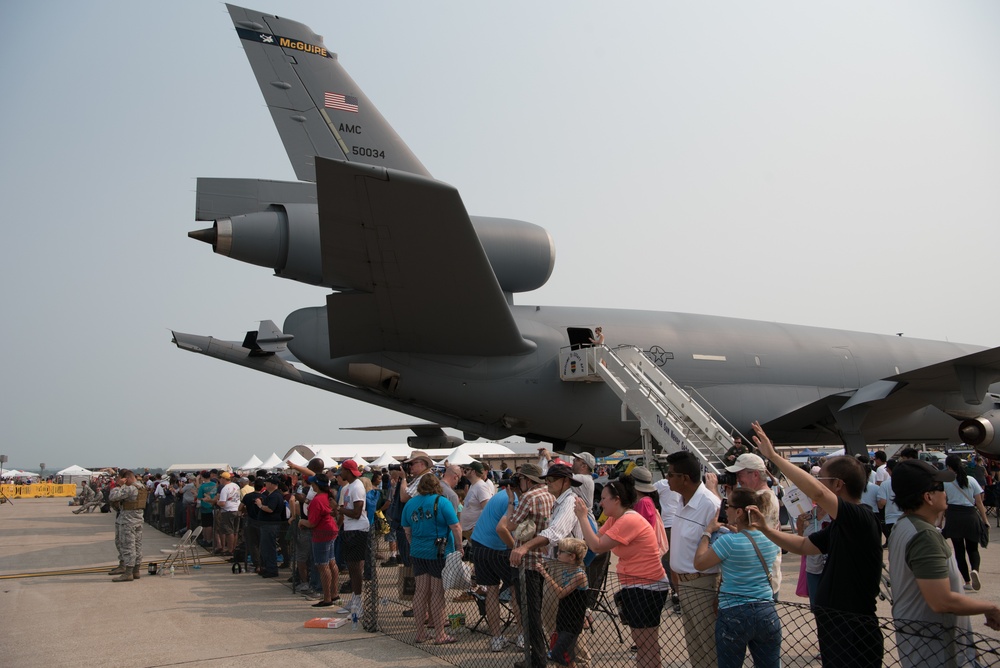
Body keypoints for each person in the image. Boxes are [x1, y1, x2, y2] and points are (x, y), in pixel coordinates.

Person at [748, 421, 883, 668]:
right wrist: (765, 529)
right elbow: (803, 546)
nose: (815, 486)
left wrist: (774, 458)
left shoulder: (861, 518)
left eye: (821, 479)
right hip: (834, 626)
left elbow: (820, 495)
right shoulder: (838, 526)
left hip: (854, 631)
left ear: (838, 485)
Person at [888, 459, 1000, 667]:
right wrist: (991, 607)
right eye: (940, 488)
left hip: (921, 644)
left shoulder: (902, 525)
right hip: (937, 653)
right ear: (928, 497)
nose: (945, 492)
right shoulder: (924, 536)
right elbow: (942, 601)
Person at [574, 475, 669, 668]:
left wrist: (583, 517)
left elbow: (597, 545)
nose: (601, 502)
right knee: (641, 641)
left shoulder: (629, 520)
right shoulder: (615, 519)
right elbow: (592, 540)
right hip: (636, 585)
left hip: (647, 586)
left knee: (646, 642)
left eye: (604, 498)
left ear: (616, 499)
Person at [694, 488, 782, 668]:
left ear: (739, 512)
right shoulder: (770, 539)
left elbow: (700, 563)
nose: (725, 510)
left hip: (734, 611)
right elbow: (751, 542)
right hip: (766, 610)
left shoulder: (728, 542)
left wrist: (707, 532)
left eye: (728, 506)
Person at [665, 450, 721, 668]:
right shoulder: (680, 499)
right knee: (695, 649)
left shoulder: (711, 505)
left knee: (710, 649)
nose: (667, 479)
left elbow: (722, 550)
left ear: (684, 479)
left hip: (703, 585)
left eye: (670, 475)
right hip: (684, 584)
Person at [401, 472, 462, 645]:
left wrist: (414, 544)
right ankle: (440, 634)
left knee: (420, 592)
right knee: (437, 592)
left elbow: (407, 530)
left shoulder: (410, 503)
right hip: (438, 552)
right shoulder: (442, 502)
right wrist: (459, 546)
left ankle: (420, 633)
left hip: (418, 552)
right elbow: (455, 526)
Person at [505, 463, 555, 668]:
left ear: (527, 480)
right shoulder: (550, 494)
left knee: (530, 612)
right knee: (543, 610)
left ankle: (537, 659)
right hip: (547, 559)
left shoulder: (528, 497)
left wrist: (511, 501)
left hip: (528, 561)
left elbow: (510, 524)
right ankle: (546, 654)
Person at [470, 475, 518, 652]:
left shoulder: (501, 494)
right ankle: (521, 636)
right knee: (515, 589)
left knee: (491, 590)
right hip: (497, 547)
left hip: (479, 544)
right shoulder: (514, 499)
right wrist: (515, 549)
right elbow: (502, 528)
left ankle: (496, 638)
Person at [724, 453, 781, 597]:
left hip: (761, 580)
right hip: (758, 576)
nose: (737, 480)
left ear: (755, 474)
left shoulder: (763, 499)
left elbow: (749, 535)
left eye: (740, 475)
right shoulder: (761, 496)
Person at [536, 537, 589, 667]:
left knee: (557, 654)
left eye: (560, 552)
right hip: (563, 620)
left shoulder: (579, 575)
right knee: (566, 657)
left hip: (572, 623)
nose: (557, 554)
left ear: (571, 556)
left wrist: (545, 574)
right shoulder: (566, 570)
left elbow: (561, 593)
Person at [942, 454, 989, 591]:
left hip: (954, 517)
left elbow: (943, 504)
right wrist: (985, 521)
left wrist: (939, 523)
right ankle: (975, 570)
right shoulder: (971, 480)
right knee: (972, 548)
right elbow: (979, 503)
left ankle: (967, 582)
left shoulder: (946, 482)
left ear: (949, 467)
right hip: (970, 516)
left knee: (959, 551)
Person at [299, 473, 339, 608]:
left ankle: (327, 597)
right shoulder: (327, 496)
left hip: (322, 533)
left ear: (317, 485)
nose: (311, 485)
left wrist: (301, 521)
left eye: (313, 483)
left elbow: (312, 523)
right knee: (332, 562)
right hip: (331, 530)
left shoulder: (318, 500)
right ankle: (334, 593)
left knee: (322, 565)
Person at [336, 459, 370, 616]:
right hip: (351, 529)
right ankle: (355, 600)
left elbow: (356, 513)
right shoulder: (349, 487)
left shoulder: (356, 487)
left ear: (348, 471)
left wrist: (338, 509)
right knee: (351, 566)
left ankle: (358, 604)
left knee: (355, 568)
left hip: (358, 529)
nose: (340, 473)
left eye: (342, 470)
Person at [107, 469, 146, 582]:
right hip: (138, 520)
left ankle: (128, 573)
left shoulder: (131, 488)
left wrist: (118, 485)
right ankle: (136, 571)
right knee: (137, 546)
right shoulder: (141, 487)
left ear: (127, 478)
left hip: (128, 521)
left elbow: (113, 496)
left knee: (128, 546)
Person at [255, 475, 285, 579]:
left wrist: (260, 505)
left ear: (272, 484)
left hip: (270, 525)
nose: (266, 485)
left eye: (267, 483)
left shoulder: (275, 496)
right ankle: (267, 567)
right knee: (265, 547)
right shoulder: (271, 495)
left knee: (269, 547)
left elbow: (270, 509)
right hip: (267, 524)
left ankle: (272, 569)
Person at [460, 461, 493, 540]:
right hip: (468, 531)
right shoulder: (473, 485)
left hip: (474, 531)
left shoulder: (481, 487)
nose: (465, 471)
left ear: (473, 472)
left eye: (467, 469)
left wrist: (478, 527)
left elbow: (487, 509)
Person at [214, 472, 241, 556]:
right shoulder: (236, 486)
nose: (219, 480)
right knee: (235, 531)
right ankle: (233, 548)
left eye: (220, 478)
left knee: (229, 532)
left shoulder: (225, 488)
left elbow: (222, 503)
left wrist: (217, 502)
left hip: (228, 511)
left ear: (223, 479)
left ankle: (230, 550)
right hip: (237, 509)